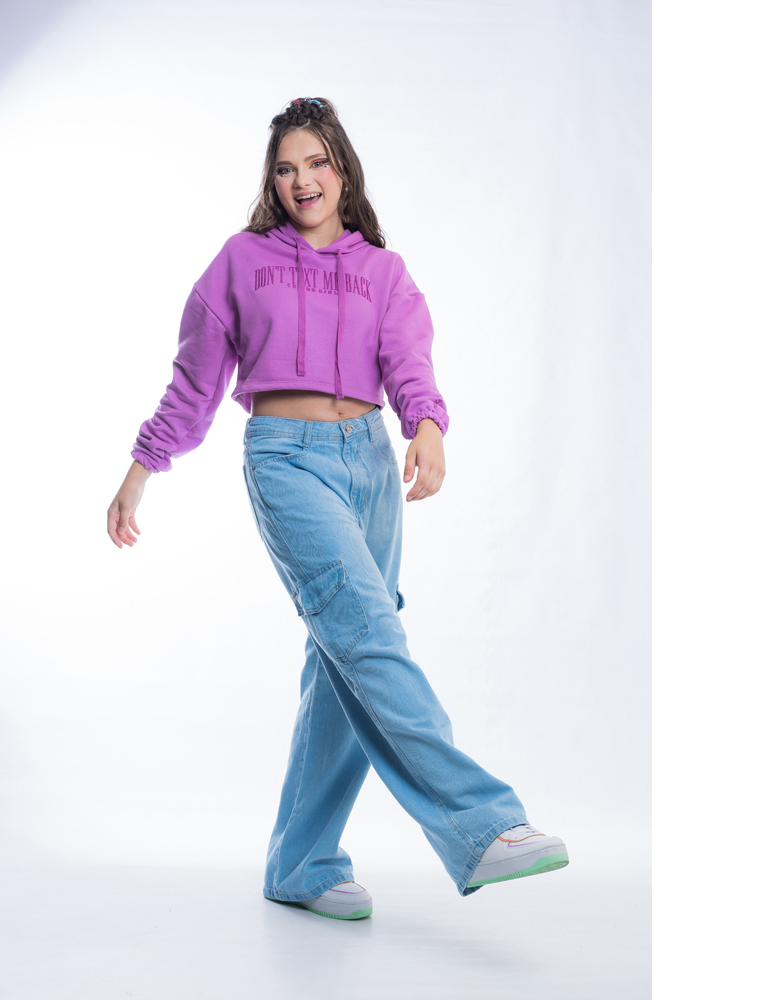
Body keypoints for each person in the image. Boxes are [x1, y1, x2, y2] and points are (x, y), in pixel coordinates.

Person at [106, 97, 568, 921]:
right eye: (286, 168)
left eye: (316, 162)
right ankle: (482, 823)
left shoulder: (383, 271)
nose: (302, 181)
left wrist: (427, 427)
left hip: (371, 465)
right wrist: (142, 468)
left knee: (341, 660)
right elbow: (195, 380)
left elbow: (409, 362)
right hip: (285, 459)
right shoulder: (241, 262)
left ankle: (302, 862)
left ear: (342, 170)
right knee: (368, 636)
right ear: (272, 182)